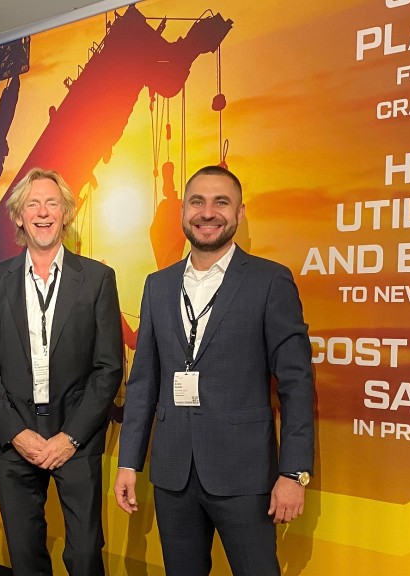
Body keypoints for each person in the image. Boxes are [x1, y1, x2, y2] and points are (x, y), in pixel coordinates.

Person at [114, 165, 315, 576]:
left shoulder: (269, 281)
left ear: (239, 213)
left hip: (244, 474)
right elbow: (144, 382)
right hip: (173, 474)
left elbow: (296, 384)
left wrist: (293, 473)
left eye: (221, 202)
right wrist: (128, 462)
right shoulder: (158, 285)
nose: (208, 212)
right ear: (183, 212)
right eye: (197, 202)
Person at [0, 167, 123, 576]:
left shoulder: (96, 279)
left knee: (86, 555)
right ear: (19, 216)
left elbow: (109, 368)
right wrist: (17, 434)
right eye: (32, 204)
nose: (42, 212)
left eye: (52, 203)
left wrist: (70, 437)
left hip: (77, 435)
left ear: (66, 213)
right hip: (13, 438)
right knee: (24, 558)